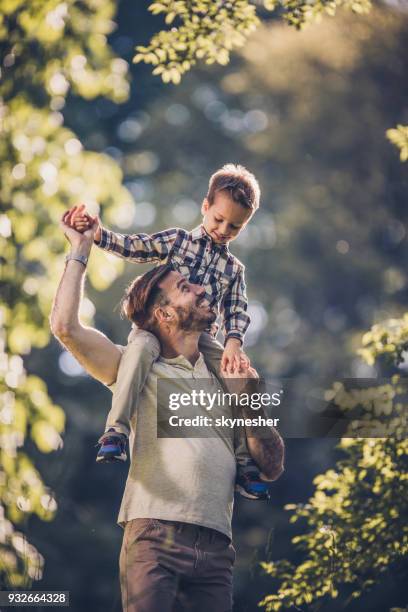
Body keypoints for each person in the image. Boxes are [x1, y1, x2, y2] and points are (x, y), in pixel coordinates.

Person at [50, 215, 285, 612]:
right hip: (154, 537)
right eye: (184, 287)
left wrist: (248, 400)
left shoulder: (227, 374)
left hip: (216, 549)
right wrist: (80, 249)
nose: (200, 287)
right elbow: (66, 327)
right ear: (166, 314)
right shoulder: (136, 367)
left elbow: (273, 466)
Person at [69, 163, 269, 500]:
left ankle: (244, 462)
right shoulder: (178, 241)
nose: (223, 229)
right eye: (219, 219)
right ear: (205, 207)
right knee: (137, 352)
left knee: (235, 379)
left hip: (200, 336)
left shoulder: (234, 269)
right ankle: (115, 432)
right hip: (156, 326)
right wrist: (99, 234)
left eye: (235, 227)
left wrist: (234, 342)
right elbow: (137, 247)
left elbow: (237, 308)